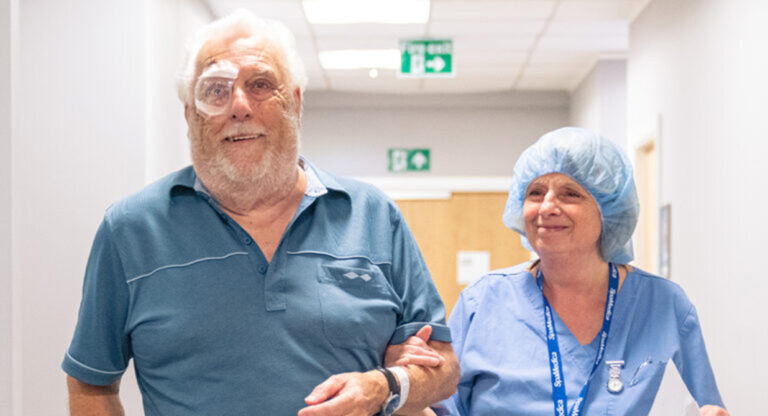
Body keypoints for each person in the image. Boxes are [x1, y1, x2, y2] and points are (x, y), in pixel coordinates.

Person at [62, 10, 458, 416]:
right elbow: (91, 383)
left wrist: (385, 385)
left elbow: (443, 367)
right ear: (189, 115)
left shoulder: (372, 215)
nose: (239, 106)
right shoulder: (129, 230)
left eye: (261, 84)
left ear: (296, 103)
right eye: (215, 90)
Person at [386, 127, 728, 415]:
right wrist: (404, 385)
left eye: (570, 194)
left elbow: (705, 406)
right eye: (535, 192)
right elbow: (439, 407)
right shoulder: (483, 302)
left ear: (609, 210)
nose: (547, 206)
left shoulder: (664, 306)